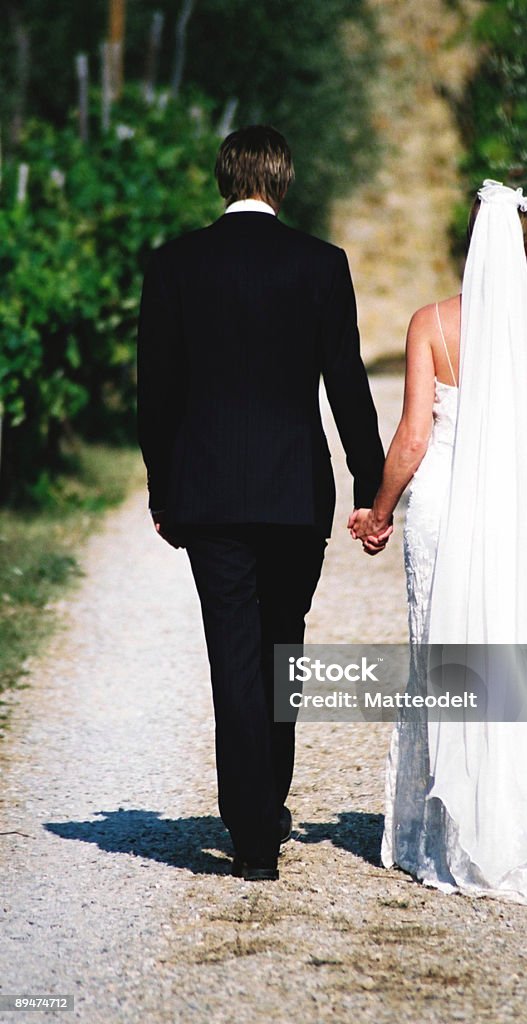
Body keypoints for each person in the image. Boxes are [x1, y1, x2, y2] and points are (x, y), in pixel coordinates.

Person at [137, 125, 386, 882]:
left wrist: (161, 485)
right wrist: (370, 487)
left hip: (208, 495)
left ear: (225, 177)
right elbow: (347, 381)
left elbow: (156, 392)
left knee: (234, 659)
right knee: (283, 653)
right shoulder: (320, 264)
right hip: (292, 493)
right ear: (284, 179)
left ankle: (251, 832)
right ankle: (265, 808)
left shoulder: (175, 262)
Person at [349, 179, 527, 906]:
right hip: (521, 513)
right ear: (526, 248)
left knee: (441, 655)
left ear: (469, 249)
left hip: (443, 510)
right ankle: (503, 836)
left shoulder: (432, 324)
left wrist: (378, 510)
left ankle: (437, 836)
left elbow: (415, 437)